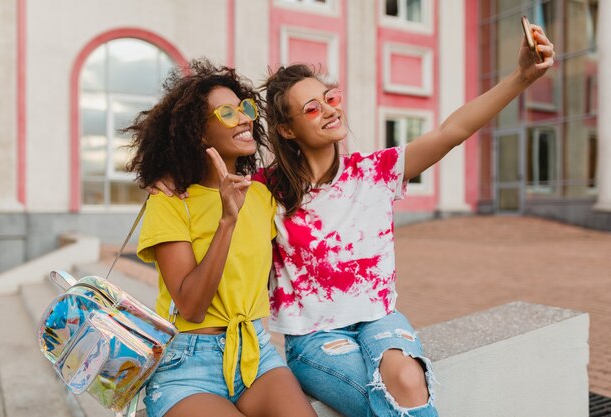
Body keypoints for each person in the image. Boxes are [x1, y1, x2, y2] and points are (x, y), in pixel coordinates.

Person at [150, 25, 555, 417]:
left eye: (331, 97)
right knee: (386, 401)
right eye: (312, 108)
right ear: (287, 129)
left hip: (379, 319)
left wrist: (521, 76)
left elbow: (453, 130)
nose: (328, 109)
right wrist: (165, 174)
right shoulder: (268, 190)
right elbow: (210, 185)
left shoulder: (375, 173)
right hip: (311, 337)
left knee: (408, 380)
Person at [127, 59, 317, 417]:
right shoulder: (169, 202)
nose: (245, 118)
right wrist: (227, 220)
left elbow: (314, 156)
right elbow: (192, 307)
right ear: (199, 133)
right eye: (228, 113)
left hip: (254, 352)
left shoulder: (264, 195)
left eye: (244, 108)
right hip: (186, 365)